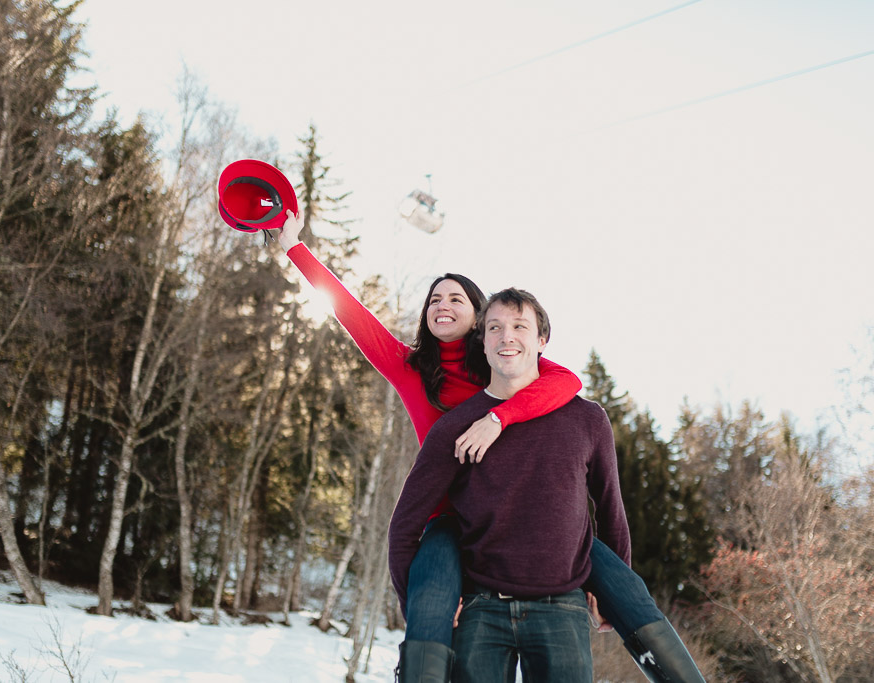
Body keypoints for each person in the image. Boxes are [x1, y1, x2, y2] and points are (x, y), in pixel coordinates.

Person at [277, 212, 705, 683]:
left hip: (525, 523)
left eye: (456, 298)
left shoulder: (503, 363)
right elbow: (350, 312)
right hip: (452, 520)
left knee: (617, 579)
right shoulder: (412, 368)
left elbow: (566, 382)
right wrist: (296, 248)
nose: (442, 305)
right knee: (433, 605)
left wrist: (499, 417)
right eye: (433, 299)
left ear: (481, 319)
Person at [389, 287, 627, 681]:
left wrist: (611, 593)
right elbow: (405, 526)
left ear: (541, 340)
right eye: (495, 327)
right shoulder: (453, 427)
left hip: (562, 608)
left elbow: (610, 510)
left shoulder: (587, 420)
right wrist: (421, 605)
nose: (507, 336)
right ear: (481, 343)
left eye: (520, 326)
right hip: (481, 608)